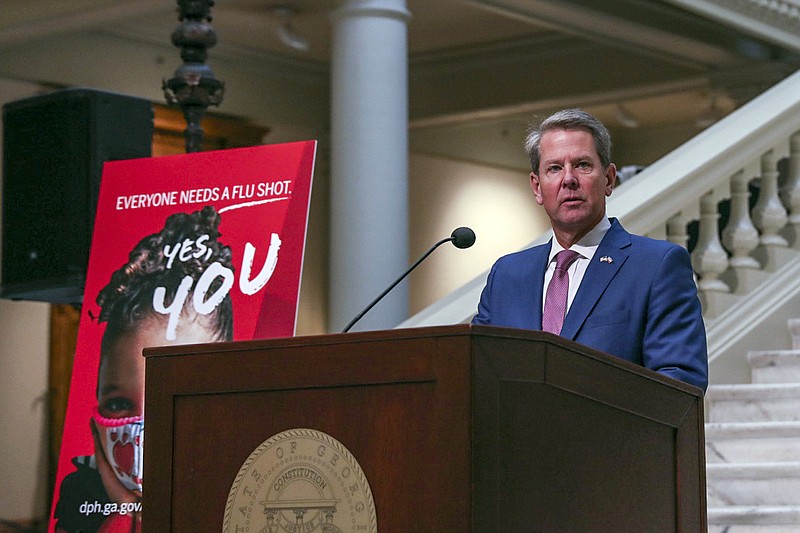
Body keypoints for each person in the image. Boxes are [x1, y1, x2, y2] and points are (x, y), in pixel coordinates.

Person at [472, 108, 708, 391]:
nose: (568, 179)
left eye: (582, 165)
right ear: (537, 187)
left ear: (608, 179)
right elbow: (475, 374)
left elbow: (678, 382)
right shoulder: (507, 275)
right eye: (555, 168)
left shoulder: (657, 265)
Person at [54, 206, 235, 533]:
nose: (138, 441)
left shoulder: (240, 492)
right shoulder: (82, 494)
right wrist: (125, 514)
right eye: (119, 404)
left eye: (170, 400)